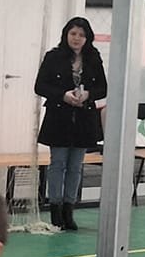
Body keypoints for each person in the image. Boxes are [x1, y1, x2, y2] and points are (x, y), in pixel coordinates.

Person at [33, 17, 104, 231]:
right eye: (73, 33)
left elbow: (103, 88)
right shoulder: (53, 57)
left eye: (81, 35)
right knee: (58, 164)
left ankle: (69, 209)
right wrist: (62, 95)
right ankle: (55, 209)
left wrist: (88, 95)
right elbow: (40, 86)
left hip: (83, 119)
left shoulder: (93, 58)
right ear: (66, 35)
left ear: (87, 38)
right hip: (59, 117)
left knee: (75, 166)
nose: (77, 38)